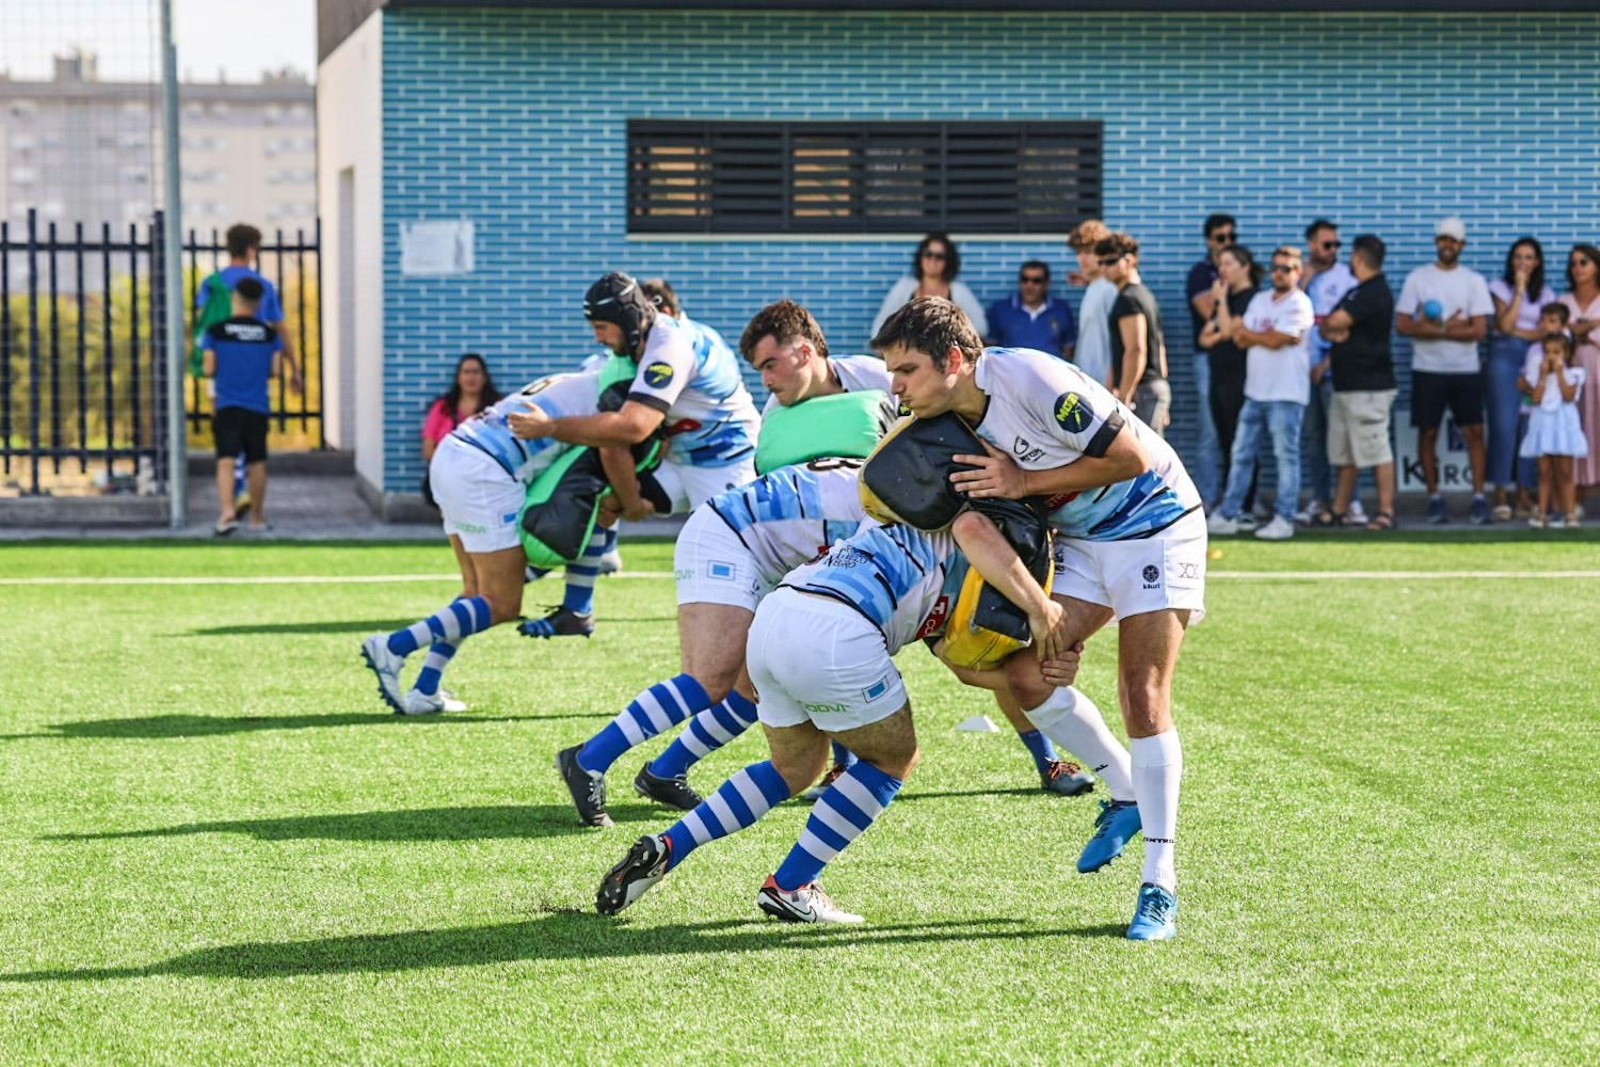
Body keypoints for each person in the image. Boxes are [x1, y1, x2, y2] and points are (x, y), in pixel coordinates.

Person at [877, 296, 1206, 940]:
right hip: (1080, 542)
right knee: (1024, 676)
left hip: (1156, 525)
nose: (897, 386)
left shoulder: (1032, 378)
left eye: (908, 370)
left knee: (1142, 695)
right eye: (891, 371)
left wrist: (1020, 482)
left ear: (954, 360)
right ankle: (1124, 794)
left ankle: (1159, 882)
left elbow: (1131, 459)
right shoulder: (934, 418)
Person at [596, 512, 1066, 925]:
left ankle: (670, 846)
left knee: (793, 769)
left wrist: (1031, 680)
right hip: (840, 633)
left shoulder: (899, 515)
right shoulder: (983, 539)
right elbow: (968, 637)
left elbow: (953, 656)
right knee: (892, 760)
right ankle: (792, 886)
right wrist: (1041, 645)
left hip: (778, 614)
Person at [553, 299, 894, 827]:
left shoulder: (877, 381)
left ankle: (665, 771)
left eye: (769, 366)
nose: (765, 382)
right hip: (734, 538)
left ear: (805, 352)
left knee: (753, 684)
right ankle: (588, 758)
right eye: (759, 369)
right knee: (709, 678)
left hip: (765, 541)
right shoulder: (780, 417)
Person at [508, 273, 762, 637]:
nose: (598, 337)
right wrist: (628, 502)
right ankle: (577, 611)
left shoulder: (669, 347)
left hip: (728, 461)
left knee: (724, 558)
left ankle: (762, 637)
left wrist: (550, 426)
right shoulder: (642, 344)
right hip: (684, 459)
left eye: (601, 327)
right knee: (604, 502)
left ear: (628, 320)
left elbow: (631, 428)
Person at [361, 368, 627, 715]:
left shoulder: (586, 374)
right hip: (485, 470)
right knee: (502, 604)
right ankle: (394, 646)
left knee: (475, 592)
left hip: (456, 449)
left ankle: (425, 689)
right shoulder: (620, 390)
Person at [194, 223, 304, 519]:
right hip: (255, 371)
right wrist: (295, 368)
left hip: (218, 369)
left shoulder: (211, 283)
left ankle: (231, 501)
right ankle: (253, 510)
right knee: (255, 450)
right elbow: (280, 330)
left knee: (225, 442)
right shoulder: (263, 287)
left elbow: (199, 325)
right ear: (252, 249)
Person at [1207, 247, 1316, 541]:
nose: (1279, 272)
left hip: (1287, 393)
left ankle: (1285, 517)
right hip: (1255, 391)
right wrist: (1261, 338)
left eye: (1287, 268)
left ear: (1298, 272)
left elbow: (1278, 339)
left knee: (1286, 457)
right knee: (1240, 454)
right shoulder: (1259, 299)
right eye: (1276, 267)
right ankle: (1229, 514)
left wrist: (1256, 336)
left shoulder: (1300, 303)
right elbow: (1239, 338)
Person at [1395, 217, 1495, 524]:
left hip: (1465, 370)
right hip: (1427, 369)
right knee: (1428, 433)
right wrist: (1449, 327)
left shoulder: (1473, 281)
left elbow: (1479, 330)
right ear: (1436, 242)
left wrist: (1432, 328)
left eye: (1453, 240)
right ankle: (1434, 499)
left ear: (1462, 245)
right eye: (1443, 239)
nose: (1447, 245)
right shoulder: (1418, 279)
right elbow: (1402, 325)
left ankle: (1479, 499)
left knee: (1474, 433)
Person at [1318, 235, 1398, 530]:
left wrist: (1335, 327)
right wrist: (1333, 329)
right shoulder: (1358, 292)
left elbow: (1334, 323)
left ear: (1359, 259)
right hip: (1347, 384)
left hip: (1370, 387)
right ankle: (1339, 509)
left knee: (1377, 449)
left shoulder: (1373, 292)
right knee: (1345, 453)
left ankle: (1386, 511)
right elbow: (1330, 327)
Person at [201, 276, 282, 536]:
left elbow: (208, 367)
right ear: (259, 303)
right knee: (257, 461)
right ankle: (257, 518)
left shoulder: (216, 330)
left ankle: (227, 512)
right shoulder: (269, 334)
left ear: (234, 298)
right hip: (257, 405)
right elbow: (275, 370)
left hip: (227, 404)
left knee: (226, 460)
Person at [1486, 239, 1556, 521]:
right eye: (1518, 257)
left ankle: (1525, 491)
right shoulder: (1499, 288)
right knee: (1504, 425)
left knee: (1530, 426)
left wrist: (1520, 333)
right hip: (1504, 358)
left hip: (1534, 360)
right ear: (1511, 261)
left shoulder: (1548, 294)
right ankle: (1501, 491)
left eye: (1529, 258)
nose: (1523, 262)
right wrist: (1520, 290)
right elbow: (1503, 325)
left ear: (1537, 262)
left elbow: (1545, 332)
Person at [1300, 219, 1362, 525]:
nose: (1333, 250)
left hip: (1332, 369)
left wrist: (1326, 363)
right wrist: (1304, 279)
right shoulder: (1300, 275)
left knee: (1343, 438)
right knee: (1313, 439)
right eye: (1327, 245)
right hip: (1301, 371)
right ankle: (1320, 499)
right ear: (1312, 245)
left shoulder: (1346, 278)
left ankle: (1351, 501)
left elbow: (1350, 328)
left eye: (1336, 245)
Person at [1198, 244, 1263, 526]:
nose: (1222, 270)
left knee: (1242, 443)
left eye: (1228, 264)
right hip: (1219, 375)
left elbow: (1225, 331)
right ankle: (1231, 502)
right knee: (1225, 442)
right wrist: (1221, 324)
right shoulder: (1226, 299)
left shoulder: (1250, 298)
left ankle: (1246, 505)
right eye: (1220, 264)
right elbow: (1205, 337)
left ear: (1244, 267)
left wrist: (1221, 303)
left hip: (1240, 378)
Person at [1097, 233, 1171, 436]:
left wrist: (1125, 397)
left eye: (1110, 261)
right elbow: (1156, 348)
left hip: (1143, 390)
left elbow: (1136, 350)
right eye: (1101, 262)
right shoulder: (1142, 295)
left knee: (1146, 459)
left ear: (1130, 260)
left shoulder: (1130, 299)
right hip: (1150, 389)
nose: (1104, 268)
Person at [1183, 214, 1235, 506]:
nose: (1226, 243)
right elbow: (1209, 314)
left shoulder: (1241, 268)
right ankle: (1207, 496)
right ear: (1208, 240)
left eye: (1231, 237)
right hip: (1208, 359)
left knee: (1237, 431)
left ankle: (1235, 498)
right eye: (1220, 238)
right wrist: (1225, 293)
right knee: (1210, 432)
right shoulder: (1200, 273)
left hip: (1238, 361)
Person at [1521, 331, 1587, 528]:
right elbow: (1536, 398)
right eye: (1547, 352)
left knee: (1566, 471)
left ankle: (1569, 513)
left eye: (1556, 352)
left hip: (1563, 424)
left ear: (1565, 354)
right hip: (1543, 423)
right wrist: (1542, 376)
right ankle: (1542, 513)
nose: (1551, 356)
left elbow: (1568, 395)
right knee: (1544, 471)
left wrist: (1558, 373)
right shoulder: (1536, 373)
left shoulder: (1575, 374)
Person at [869, 232, 987, 342]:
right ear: (920, 257)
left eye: (939, 256)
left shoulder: (958, 291)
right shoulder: (904, 288)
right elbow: (879, 327)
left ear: (948, 261)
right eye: (928, 254)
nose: (933, 260)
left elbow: (981, 328)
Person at [421, 354, 502, 507]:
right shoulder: (442, 407)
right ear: (458, 378)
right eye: (466, 372)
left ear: (484, 377)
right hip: (449, 476)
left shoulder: (497, 408)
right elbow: (427, 451)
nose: (471, 377)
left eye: (476, 372)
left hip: (485, 477)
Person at [1560, 243, 1600, 502]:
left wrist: (1585, 332)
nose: (1577, 268)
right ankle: (1575, 496)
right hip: (1572, 376)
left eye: (1583, 262)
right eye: (1573, 263)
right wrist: (1579, 332)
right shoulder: (1563, 301)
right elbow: (1556, 336)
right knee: (1576, 430)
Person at [985, 260, 1076, 359]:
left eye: (1036, 281)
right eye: (1024, 279)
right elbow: (990, 349)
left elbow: (1068, 348)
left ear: (1047, 283)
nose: (1029, 285)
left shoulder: (1061, 310)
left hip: (1049, 373)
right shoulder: (1000, 310)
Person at [1067, 219, 1117, 388]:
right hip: (1089, 384)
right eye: (1079, 252)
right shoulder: (1095, 286)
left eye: (1089, 251)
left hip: (1105, 386)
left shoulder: (1111, 289)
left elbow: (1122, 342)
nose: (1082, 258)